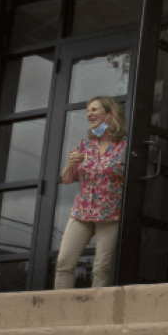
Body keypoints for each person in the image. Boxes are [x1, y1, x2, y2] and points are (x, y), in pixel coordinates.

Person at [56, 95, 126, 289]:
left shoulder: (124, 147)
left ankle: (97, 314)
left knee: (101, 268)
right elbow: (67, 179)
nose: (89, 114)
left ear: (109, 114)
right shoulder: (85, 145)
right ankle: (60, 313)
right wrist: (71, 164)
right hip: (81, 213)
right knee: (64, 263)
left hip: (110, 214)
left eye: (94, 110)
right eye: (88, 110)